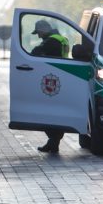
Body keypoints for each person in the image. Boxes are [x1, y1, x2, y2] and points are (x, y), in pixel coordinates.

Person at [31, 19, 70, 153]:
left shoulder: (52, 41)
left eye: (38, 33)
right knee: (54, 113)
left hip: (52, 79)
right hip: (59, 78)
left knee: (47, 112)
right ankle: (53, 143)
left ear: (43, 30)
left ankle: (53, 142)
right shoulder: (61, 38)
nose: (38, 36)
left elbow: (36, 52)